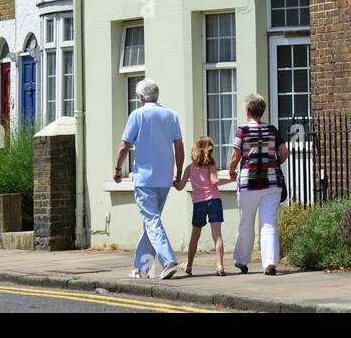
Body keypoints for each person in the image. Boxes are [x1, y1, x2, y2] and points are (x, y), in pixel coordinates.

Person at [114, 78, 183, 280]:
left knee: (151, 221)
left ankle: (168, 261)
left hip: (145, 178)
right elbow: (179, 147)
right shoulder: (171, 115)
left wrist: (118, 168)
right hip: (164, 178)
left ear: (142, 98)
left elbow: (124, 146)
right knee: (151, 223)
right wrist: (178, 173)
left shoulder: (137, 115)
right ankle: (142, 269)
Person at [227, 93, 289, 275]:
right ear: (262, 111)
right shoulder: (272, 130)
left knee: (246, 222)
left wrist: (231, 171)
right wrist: (273, 165)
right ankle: (270, 263)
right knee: (269, 222)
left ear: (247, 111)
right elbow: (284, 153)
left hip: (249, 182)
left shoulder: (242, 131)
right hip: (271, 183)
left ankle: (242, 261)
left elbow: (235, 156)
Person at [172, 136, 226, 276]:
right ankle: (220, 265)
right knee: (217, 235)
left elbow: (179, 187)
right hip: (214, 200)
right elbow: (214, 181)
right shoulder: (211, 164)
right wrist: (231, 179)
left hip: (199, 203)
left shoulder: (190, 168)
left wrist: (173, 181)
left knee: (195, 236)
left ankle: (189, 265)